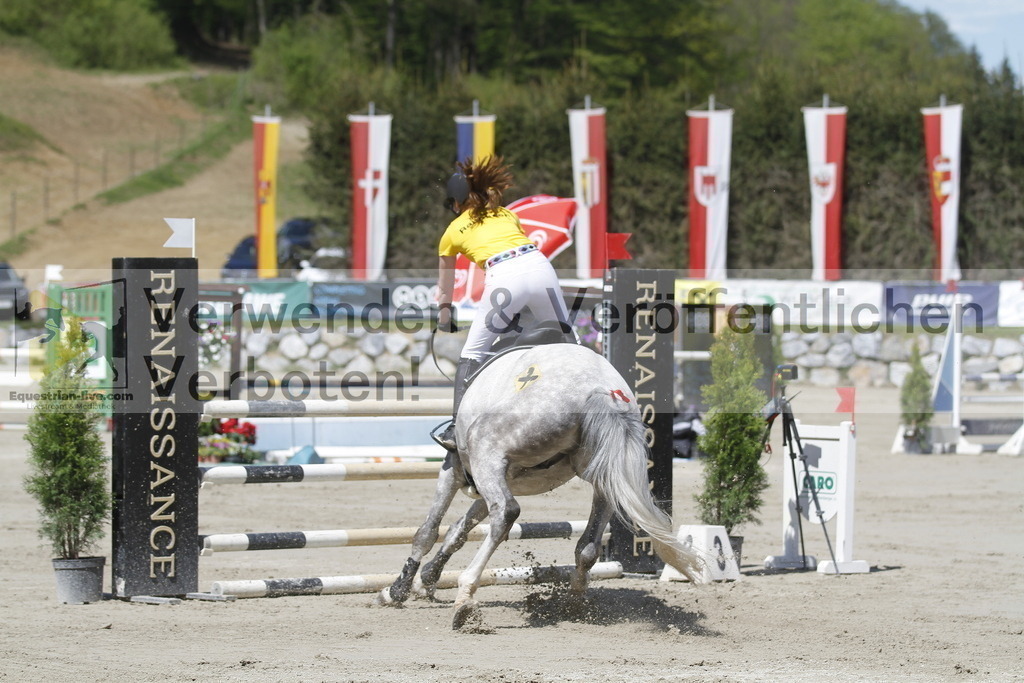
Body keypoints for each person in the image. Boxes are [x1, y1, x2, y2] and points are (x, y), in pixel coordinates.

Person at [434, 155, 573, 451]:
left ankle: (455, 430)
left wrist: (444, 318)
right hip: (539, 267)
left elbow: (445, 289)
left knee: (471, 354)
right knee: (567, 340)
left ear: (456, 203)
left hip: (504, 276)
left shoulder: (452, 231)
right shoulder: (507, 214)